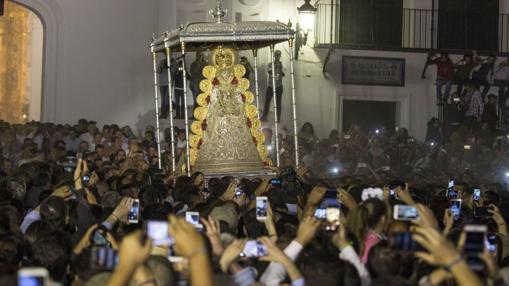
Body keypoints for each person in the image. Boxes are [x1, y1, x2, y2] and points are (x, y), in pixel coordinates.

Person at [261, 50, 285, 122]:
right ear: (274, 55)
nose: (277, 56)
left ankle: (278, 119)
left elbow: (283, 74)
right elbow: (270, 72)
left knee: (278, 103)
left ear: (280, 56)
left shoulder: (283, 65)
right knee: (267, 102)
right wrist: (276, 66)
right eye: (276, 55)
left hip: (278, 86)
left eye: (279, 55)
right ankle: (264, 117)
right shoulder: (270, 64)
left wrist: (280, 68)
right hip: (271, 86)